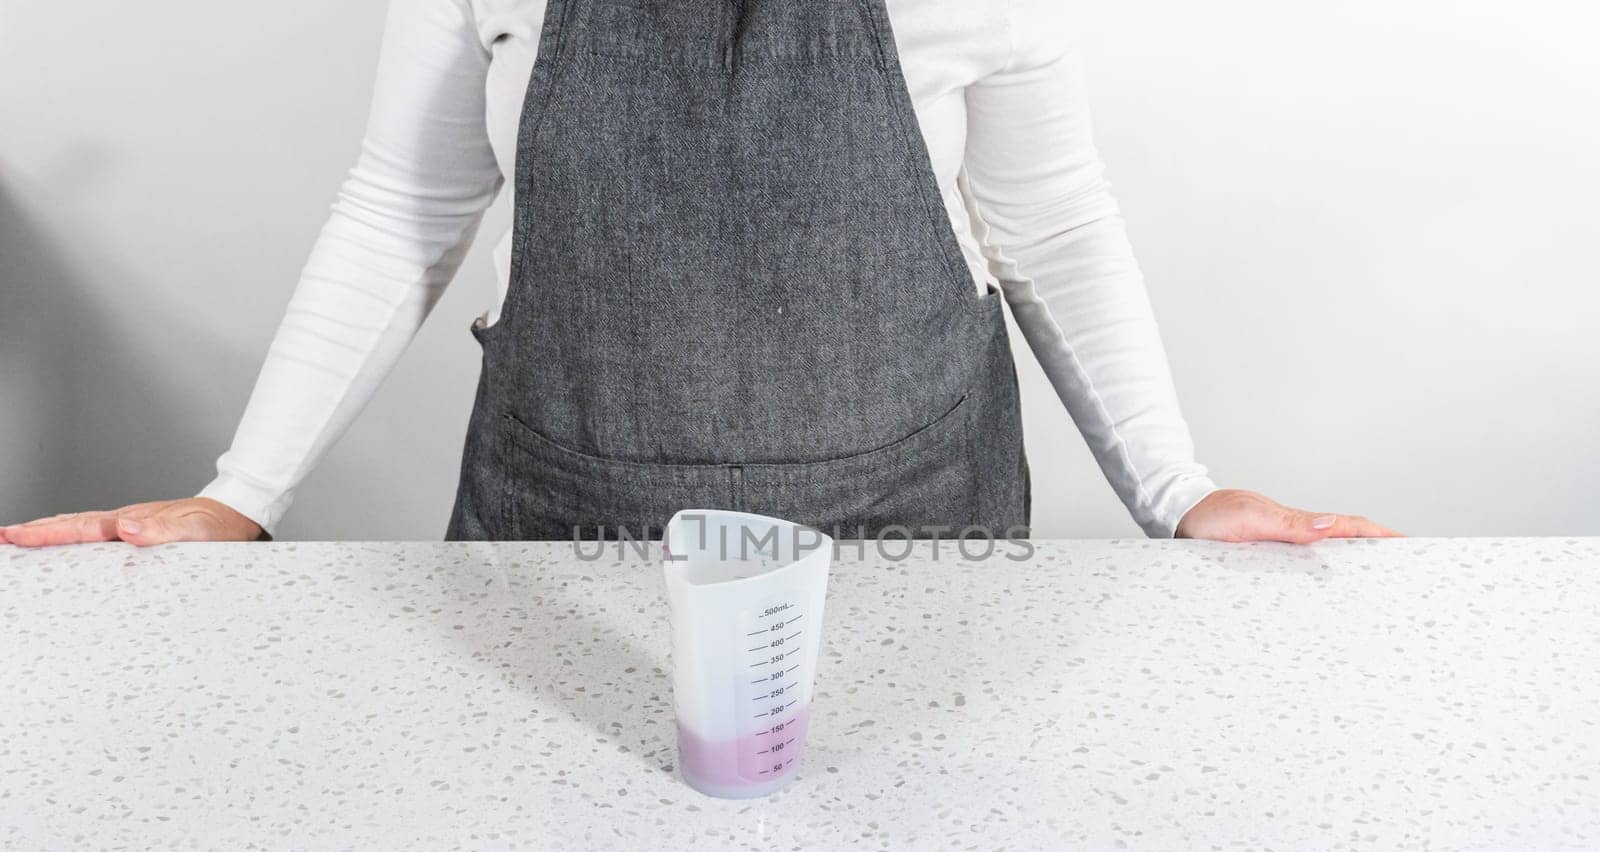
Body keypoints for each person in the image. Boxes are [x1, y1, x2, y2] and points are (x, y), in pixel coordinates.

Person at [1, 0, 1399, 549]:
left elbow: (1051, 226)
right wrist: (240, 499)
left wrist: (1180, 491)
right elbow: (405, 202)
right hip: (562, 548)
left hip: (917, 543)